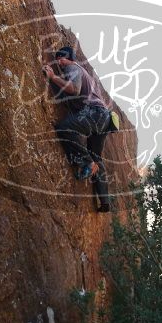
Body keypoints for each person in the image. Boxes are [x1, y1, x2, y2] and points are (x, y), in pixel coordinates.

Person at [44, 46, 113, 213]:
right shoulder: (83, 73)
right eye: (58, 58)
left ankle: (87, 163)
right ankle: (105, 202)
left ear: (67, 58)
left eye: (61, 58)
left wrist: (53, 77)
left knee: (64, 128)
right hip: (103, 118)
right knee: (97, 157)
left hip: (94, 114)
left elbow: (73, 88)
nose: (59, 62)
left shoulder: (73, 67)